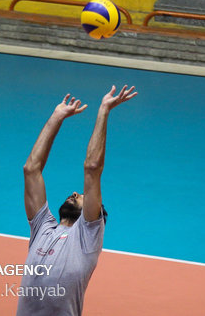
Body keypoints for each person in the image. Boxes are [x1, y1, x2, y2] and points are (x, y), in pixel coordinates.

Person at [16, 85, 137, 316]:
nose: (74, 193)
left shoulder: (86, 237)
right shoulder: (42, 228)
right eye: (76, 194)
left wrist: (104, 110)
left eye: (81, 197)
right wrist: (57, 116)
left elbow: (92, 168)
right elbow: (31, 169)